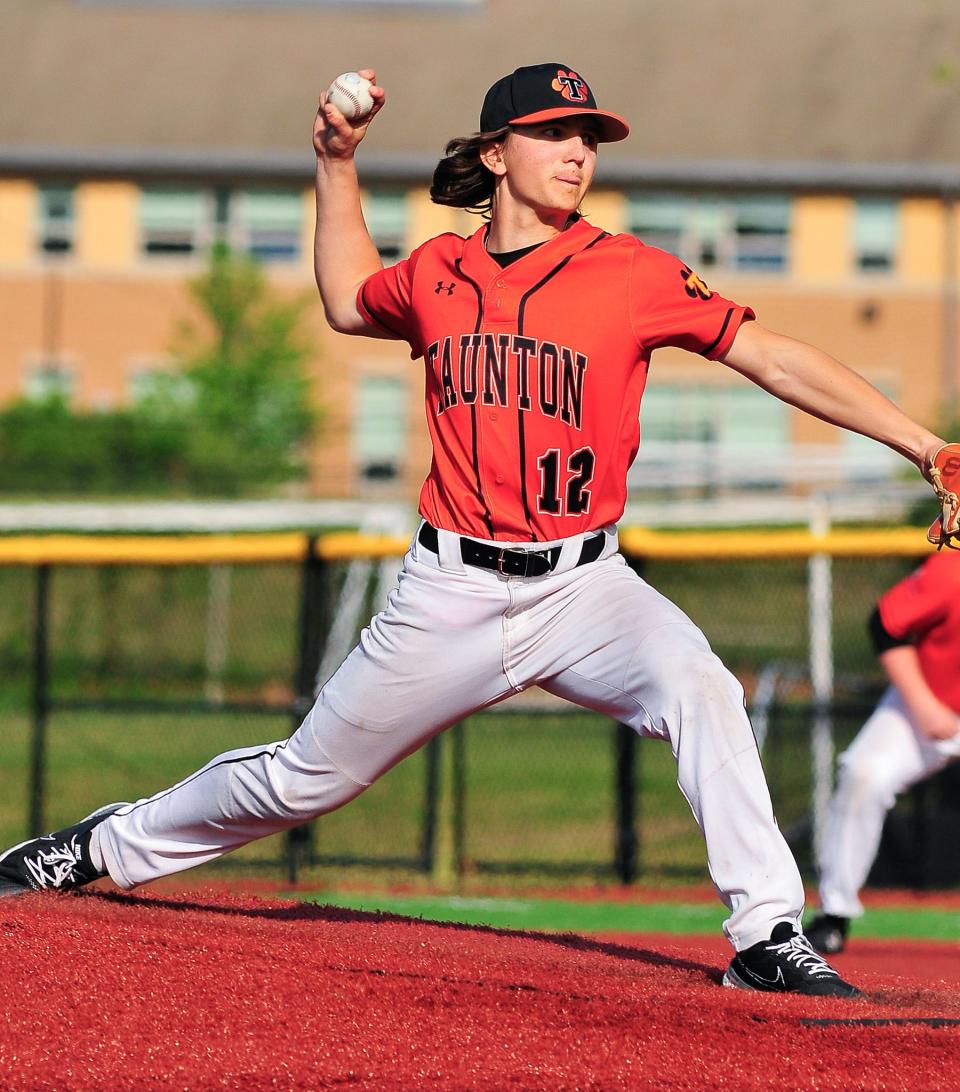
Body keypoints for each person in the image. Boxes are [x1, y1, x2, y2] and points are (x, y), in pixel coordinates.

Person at [0, 61, 948, 999]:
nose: (576, 152)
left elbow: (774, 359)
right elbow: (345, 299)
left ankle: (767, 934)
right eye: (552, 133)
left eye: (587, 137)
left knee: (702, 686)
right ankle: (95, 849)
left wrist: (922, 443)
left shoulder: (630, 272)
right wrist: (335, 160)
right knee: (302, 783)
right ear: (496, 153)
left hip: (587, 588)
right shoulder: (439, 273)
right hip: (448, 589)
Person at [806, 551, 960, 955]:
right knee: (864, 774)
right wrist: (924, 705)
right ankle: (833, 914)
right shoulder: (951, 570)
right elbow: (885, 625)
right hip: (931, 703)